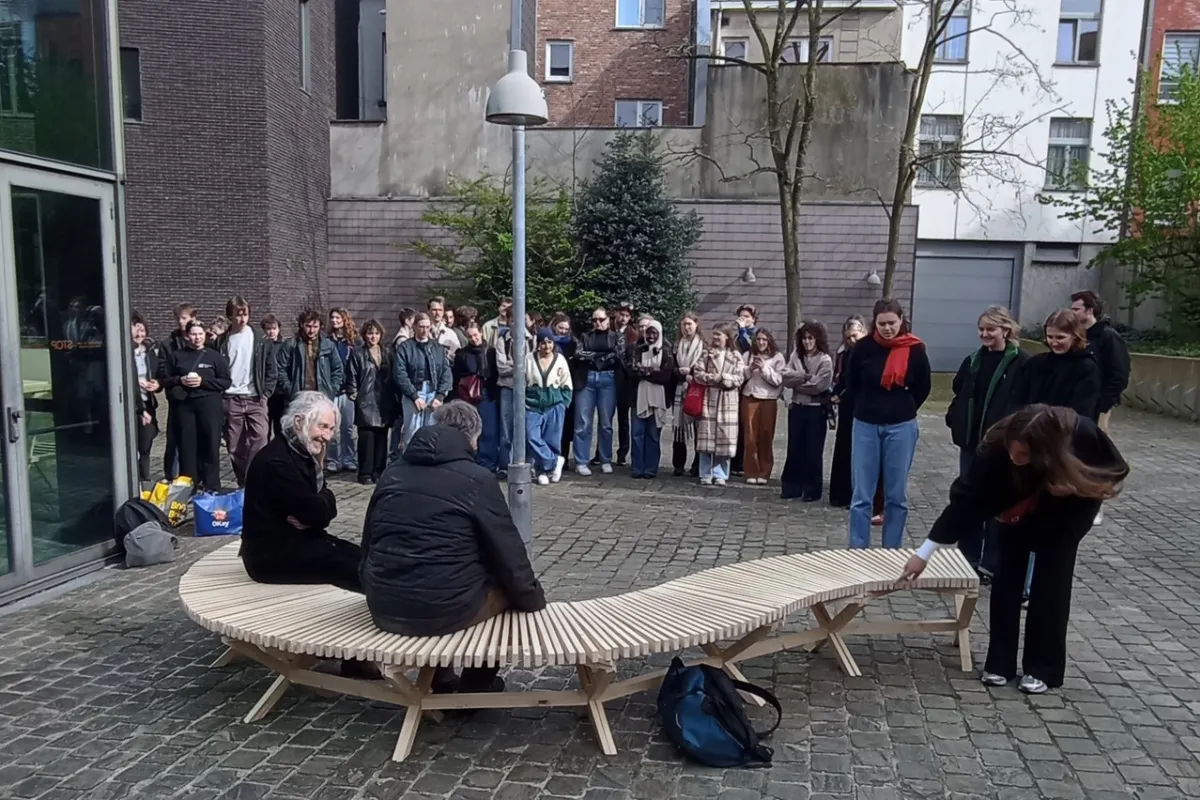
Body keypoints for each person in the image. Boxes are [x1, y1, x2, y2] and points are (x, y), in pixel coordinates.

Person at [900, 405, 1128, 694]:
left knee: (1051, 587)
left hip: (1067, 512)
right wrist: (924, 553)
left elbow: (1113, 470)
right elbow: (966, 501)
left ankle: (1043, 667)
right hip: (1014, 511)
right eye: (1013, 451)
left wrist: (1075, 487)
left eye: (1023, 455)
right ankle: (999, 662)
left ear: (1044, 450)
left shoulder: (1080, 433)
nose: (1014, 458)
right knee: (1005, 580)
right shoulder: (996, 447)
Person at [360, 401, 547, 693]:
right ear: (473, 439)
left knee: (449, 570)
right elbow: (508, 553)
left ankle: (441, 678)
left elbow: (368, 541)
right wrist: (533, 599)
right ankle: (474, 687)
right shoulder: (477, 479)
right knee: (506, 592)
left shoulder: (392, 473)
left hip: (384, 603)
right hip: (441, 610)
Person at [240, 392, 376, 678]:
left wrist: (319, 504)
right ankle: (356, 654)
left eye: (330, 429)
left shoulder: (301, 454)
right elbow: (314, 511)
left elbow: (320, 505)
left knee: (362, 557)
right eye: (322, 427)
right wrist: (318, 506)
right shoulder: (278, 461)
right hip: (271, 557)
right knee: (359, 570)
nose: (327, 436)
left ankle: (350, 651)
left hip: (297, 543)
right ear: (299, 421)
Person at [945, 306, 1029, 577]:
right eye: (981, 329)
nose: (984, 334)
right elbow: (960, 391)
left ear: (1005, 330)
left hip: (1001, 446)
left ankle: (993, 562)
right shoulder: (973, 361)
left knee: (998, 503)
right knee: (970, 500)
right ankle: (966, 558)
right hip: (971, 443)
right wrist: (954, 418)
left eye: (990, 329)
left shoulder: (1020, 363)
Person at [846, 299, 931, 549]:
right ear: (875, 324)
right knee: (862, 494)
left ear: (901, 320)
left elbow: (923, 387)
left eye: (892, 323)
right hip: (865, 424)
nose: (887, 328)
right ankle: (858, 548)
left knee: (896, 495)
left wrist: (902, 407)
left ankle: (891, 550)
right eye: (882, 324)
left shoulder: (915, 349)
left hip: (901, 425)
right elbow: (852, 384)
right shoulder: (862, 348)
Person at [159, 319, 231, 491]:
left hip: (209, 405)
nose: (197, 338)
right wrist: (180, 380)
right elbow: (165, 379)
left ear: (205, 335)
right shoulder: (177, 356)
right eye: (193, 334)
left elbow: (225, 381)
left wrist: (203, 381)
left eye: (200, 334)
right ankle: (189, 486)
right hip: (185, 407)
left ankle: (212, 485)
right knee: (187, 447)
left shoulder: (215, 356)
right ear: (187, 336)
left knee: (211, 445)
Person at [217, 296, 278, 487]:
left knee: (260, 438)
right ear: (230, 316)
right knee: (234, 445)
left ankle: (254, 479)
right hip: (231, 398)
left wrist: (266, 392)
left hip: (255, 397)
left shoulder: (260, 340)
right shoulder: (222, 341)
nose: (242, 319)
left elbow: (271, 368)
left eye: (245, 314)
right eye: (238, 315)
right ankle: (244, 480)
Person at [1009, 310, 1100, 421]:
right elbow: (1017, 400)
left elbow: (1083, 412)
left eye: (1060, 337)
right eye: (1050, 337)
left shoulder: (1086, 368)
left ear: (1075, 336)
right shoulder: (1035, 363)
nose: (1054, 342)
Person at [780, 322, 834, 501]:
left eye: (810, 338)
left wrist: (797, 382)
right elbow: (785, 377)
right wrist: (804, 376)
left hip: (815, 410)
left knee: (813, 451)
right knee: (794, 449)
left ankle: (812, 490)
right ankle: (791, 487)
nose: (807, 341)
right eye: (804, 338)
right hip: (797, 408)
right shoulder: (796, 355)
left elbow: (818, 386)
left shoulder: (825, 359)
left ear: (817, 339)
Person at [571, 307, 623, 476]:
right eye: (594, 320)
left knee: (606, 423)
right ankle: (581, 460)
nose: (597, 323)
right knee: (583, 423)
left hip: (608, 379)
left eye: (600, 319)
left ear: (609, 320)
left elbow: (617, 355)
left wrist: (593, 356)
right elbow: (579, 354)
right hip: (588, 379)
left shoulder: (617, 337)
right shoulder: (586, 336)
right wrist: (600, 355)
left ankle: (605, 459)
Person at [1070, 290, 1130, 433]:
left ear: (1090, 310)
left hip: (1098, 404)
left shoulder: (1108, 337)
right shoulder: (1077, 337)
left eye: (1076, 309)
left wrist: (1104, 404)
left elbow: (1119, 374)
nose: (1072, 313)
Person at [694, 324, 746, 486]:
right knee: (707, 437)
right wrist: (712, 378)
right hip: (709, 397)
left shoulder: (736, 356)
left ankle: (721, 473)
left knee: (724, 438)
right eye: (714, 334)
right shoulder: (706, 354)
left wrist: (724, 378)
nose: (716, 338)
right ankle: (705, 472)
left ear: (727, 337)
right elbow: (697, 373)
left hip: (727, 400)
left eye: (719, 335)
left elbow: (739, 378)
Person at [345, 319, 395, 485]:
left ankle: (379, 471)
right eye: (370, 333)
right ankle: (365, 472)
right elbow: (351, 374)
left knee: (381, 438)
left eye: (376, 333)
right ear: (364, 335)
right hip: (365, 399)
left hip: (384, 400)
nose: (373, 337)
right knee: (366, 438)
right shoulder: (358, 353)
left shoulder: (387, 352)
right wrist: (353, 391)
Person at [625, 319, 676, 479]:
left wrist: (647, 373)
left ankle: (651, 468)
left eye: (654, 333)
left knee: (653, 435)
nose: (651, 336)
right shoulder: (636, 349)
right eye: (648, 333)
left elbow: (666, 375)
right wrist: (652, 371)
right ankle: (637, 467)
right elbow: (632, 370)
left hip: (658, 398)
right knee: (637, 433)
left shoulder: (666, 351)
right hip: (638, 397)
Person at [393, 312, 452, 446]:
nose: (424, 330)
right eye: (421, 326)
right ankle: (410, 464)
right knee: (412, 432)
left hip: (433, 391)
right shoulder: (405, 347)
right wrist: (414, 396)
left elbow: (446, 372)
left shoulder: (437, 347)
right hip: (413, 391)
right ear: (414, 327)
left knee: (431, 431)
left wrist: (440, 396)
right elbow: (400, 374)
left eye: (427, 327)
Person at [829, 316, 867, 508]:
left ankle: (856, 493)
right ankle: (840, 493)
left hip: (862, 406)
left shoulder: (868, 354)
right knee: (844, 447)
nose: (852, 341)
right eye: (848, 337)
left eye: (855, 336)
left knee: (858, 451)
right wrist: (836, 394)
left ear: (864, 333)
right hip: (847, 407)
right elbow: (843, 379)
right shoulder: (845, 354)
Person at [525, 332, 573, 484]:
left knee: (551, 439)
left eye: (550, 343)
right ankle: (554, 461)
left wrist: (564, 403)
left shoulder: (560, 359)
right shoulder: (529, 359)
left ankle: (544, 471)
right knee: (531, 436)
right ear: (538, 343)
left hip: (554, 404)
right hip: (532, 405)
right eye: (543, 343)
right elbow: (521, 381)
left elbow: (567, 383)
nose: (547, 346)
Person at [739, 328, 784, 485]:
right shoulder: (747, 355)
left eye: (764, 339)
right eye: (758, 339)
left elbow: (778, 380)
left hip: (768, 399)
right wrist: (750, 369)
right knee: (750, 436)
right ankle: (751, 470)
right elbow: (740, 375)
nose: (761, 342)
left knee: (766, 435)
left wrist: (764, 368)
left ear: (769, 340)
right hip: (749, 397)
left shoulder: (777, 357)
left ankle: (764, 472)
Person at [453, 321, 500, 472]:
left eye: (475, 335)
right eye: (470, 336)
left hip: (487, 393)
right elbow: (457, 376)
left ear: (481, 333)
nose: (474, 338)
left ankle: (488, 463)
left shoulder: (491, 352)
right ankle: (469, 459)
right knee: (469, 429)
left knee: (489, 430)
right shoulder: (462, 354)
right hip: (468, 395)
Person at [276, 309, 346, 403]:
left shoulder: (328, 344)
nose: (311, 330)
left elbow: (338, 369)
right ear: (301, 325)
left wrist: (331, 391)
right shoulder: (291, 345)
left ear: (320, 327)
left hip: (322, 397)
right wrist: (290, 390)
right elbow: (280, 369)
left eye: (315, 327)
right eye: (308, 326)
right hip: (298, 396)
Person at [161, 303, 196, 479]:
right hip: (177, 398)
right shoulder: (169, 344)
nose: (180, 322)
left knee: (193, 442)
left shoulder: (201, 340)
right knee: (174, 440)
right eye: (178, 318)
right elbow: (164, 371)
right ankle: (171, 477)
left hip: (197, 398)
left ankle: (192, 478)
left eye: (184, 318)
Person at [324, 308, 359, 474]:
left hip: (347, 390)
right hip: (331, 390)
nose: (335, 320)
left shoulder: (352, 342)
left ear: (344, 320)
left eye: (338, 317)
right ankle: (332, 459)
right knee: (331, 428)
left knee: (348, 428)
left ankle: (349, 458)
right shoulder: (327, 340)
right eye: (332, 318)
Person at [672, 313, 704, 477]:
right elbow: (671, 367)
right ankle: (678, 464)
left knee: (699, 428)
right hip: (679, 387)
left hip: (697, 389)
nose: (687, 327)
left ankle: (697, 464)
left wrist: (692, 372)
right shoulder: (677, 345)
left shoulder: (703, 345)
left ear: (696, 324)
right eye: (684, 324)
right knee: (678, 428)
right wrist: (679, 372)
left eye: (690, 324)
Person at [131, 313, 161, 490]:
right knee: (135, 443)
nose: (140, 334)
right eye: (136, 330)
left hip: (148, 402)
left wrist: (156, 385)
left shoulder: (149, 354)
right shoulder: (126, 354)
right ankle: (139, 479)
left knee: (146, 443)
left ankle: (145, 479)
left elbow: (158, 376)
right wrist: (141, 410)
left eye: (142, 330)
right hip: (135, 406)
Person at [549, 313, 579, 466]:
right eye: (561, 328)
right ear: (554, 327)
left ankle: (564, 457)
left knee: (567, 423)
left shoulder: (573, 343)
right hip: (552, 386)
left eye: (566, 329)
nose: (563, 331)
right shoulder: (548, 343)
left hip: (568, 385)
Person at [261, 314, 287, 440]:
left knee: (279, 426)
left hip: (280, 392)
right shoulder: (261, 347)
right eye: (268, 329)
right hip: (265, 391)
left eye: (273, 328)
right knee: (264, 427)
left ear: (278, 329)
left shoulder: (284, 346)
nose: (271, 332)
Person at [426, 295, 461, 361]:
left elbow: (458, 357)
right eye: (434, 310)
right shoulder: (422, 331)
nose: (437, 313)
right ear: (428, 311)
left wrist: (446, 353)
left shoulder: (450, 334)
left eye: (440, 310)